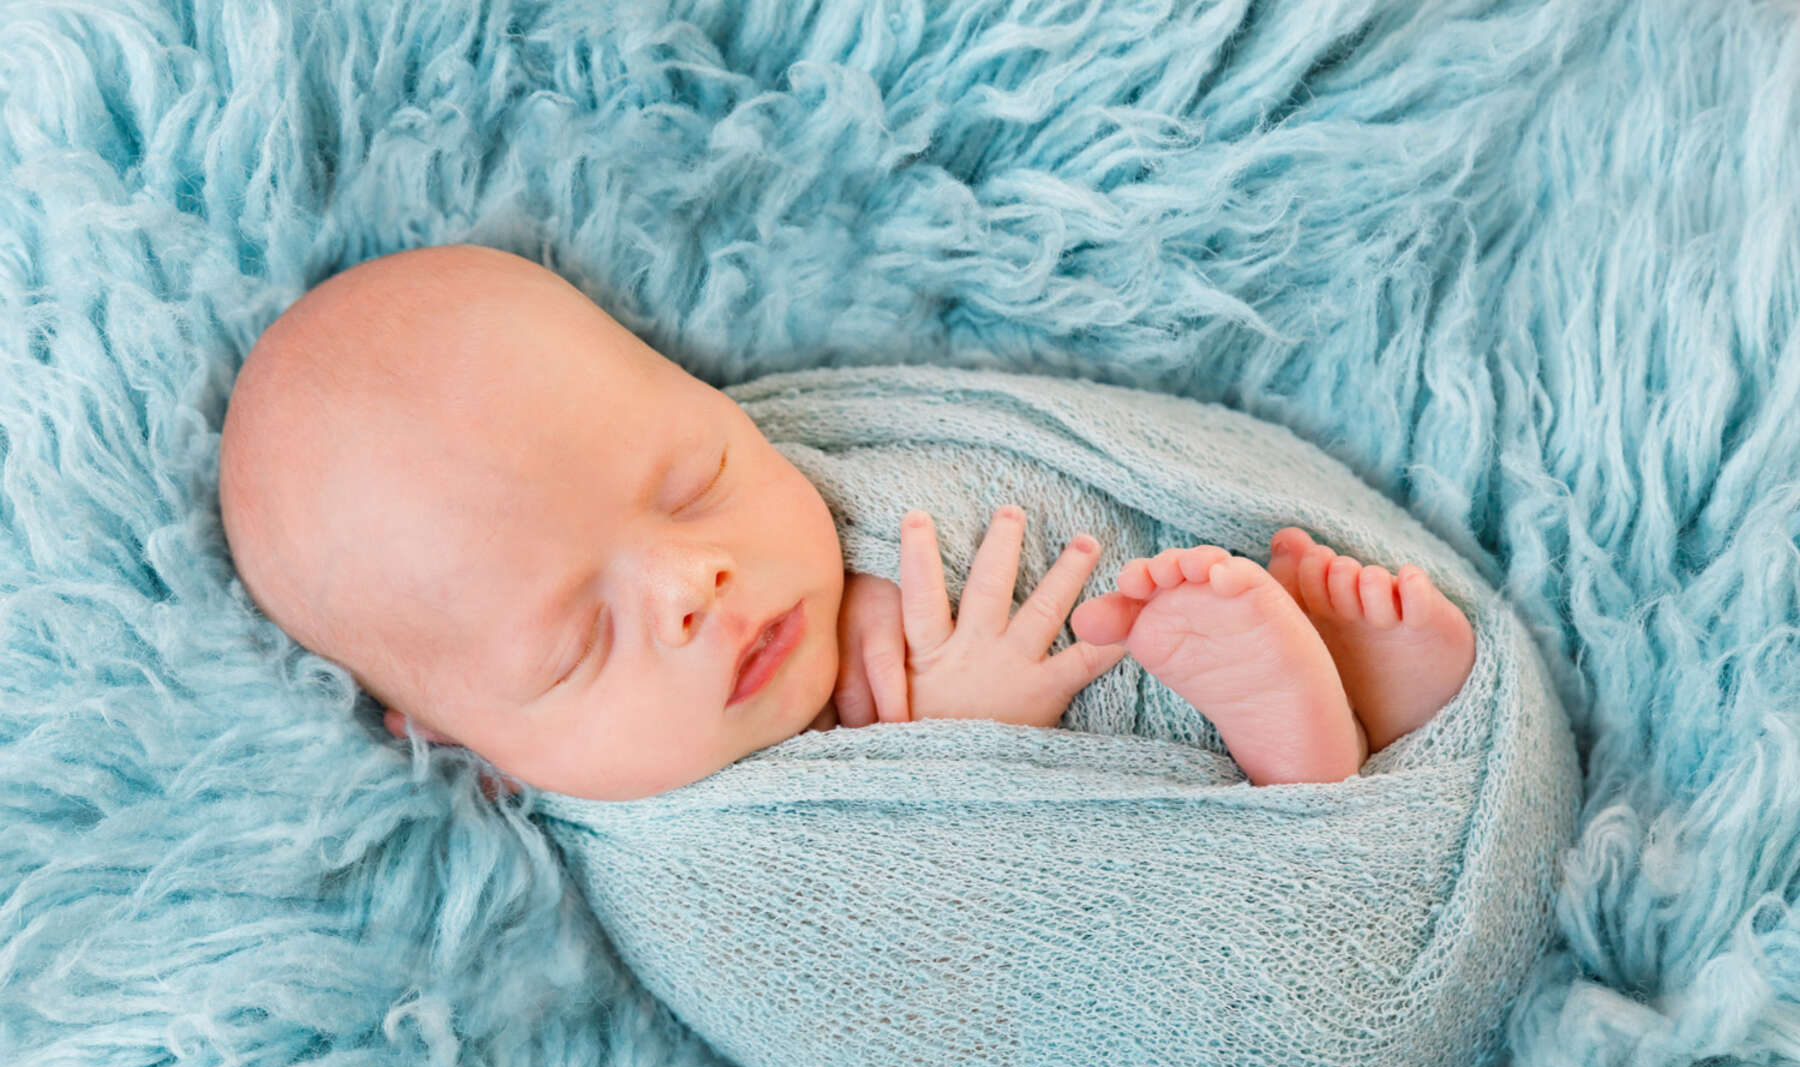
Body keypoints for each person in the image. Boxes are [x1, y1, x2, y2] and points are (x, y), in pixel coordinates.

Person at [217, 244, 1474, 801]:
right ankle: (1304, 775)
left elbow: (897, 471)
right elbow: (908, 975)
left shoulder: (813, 494)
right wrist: (961, 751)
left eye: (695, 479)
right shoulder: (669, 845)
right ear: (468, 751)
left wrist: (867, 570)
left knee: (1086, 589)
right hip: (1089, 908)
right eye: (578, 644)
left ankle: (1365, 721)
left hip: (1134, 622)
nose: (692, 582)